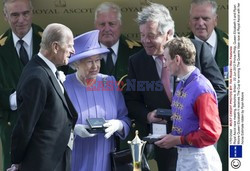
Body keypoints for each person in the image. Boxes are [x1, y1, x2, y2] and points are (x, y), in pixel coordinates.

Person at [125, 2, 226, 171]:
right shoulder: (137, 61)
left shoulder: (197, 49)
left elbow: (219, 89)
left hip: (196, 143)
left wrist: (193, 113)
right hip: (164, 143)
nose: (145, 41)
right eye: (142, 35)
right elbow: (131, 100)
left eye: (151, 35)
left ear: (169, 33)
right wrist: (148, 115)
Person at [8, 23, 78, 171]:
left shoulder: (45, 70)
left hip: (55, 161)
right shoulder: (37, 77)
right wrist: (16, 161)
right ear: (55, 47)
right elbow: (25, 125)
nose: (73, 51)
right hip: (42, 164)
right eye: (70, 45)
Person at [63, 30, 130, 171]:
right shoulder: (64, 85)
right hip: (74, 161)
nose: (95, 66)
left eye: (98, 60)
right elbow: (51, 124)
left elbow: (125, 119)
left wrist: (118, 125)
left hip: (106, 161)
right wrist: (73, 130)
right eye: (89, 62)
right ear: (76, 64)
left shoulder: (109, 82)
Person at [155, 36, 222, 171]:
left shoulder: (201, 88)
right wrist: (172, 138)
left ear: (177, 59)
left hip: (201, 160)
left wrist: (178, 140)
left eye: (167, 59)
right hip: (186, 157)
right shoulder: (183, 83)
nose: (165, 64)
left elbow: (211, 134)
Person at [0, 0, 43, 170]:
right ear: (5, 17)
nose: (21, 20)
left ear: (32, 12)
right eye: (15, 15)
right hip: (13, 127)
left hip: (45, 127)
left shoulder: (51, 40)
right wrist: (12, 99)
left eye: (26, 13)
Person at [187, 0, 228, 170]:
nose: (200, 23)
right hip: (192, 131)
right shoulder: (177, 49)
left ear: (216, 19)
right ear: (189, 21)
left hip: (229, 129)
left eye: (205, 18)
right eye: (196, 18)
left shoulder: (236, 46)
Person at [94, 2, 142, 88]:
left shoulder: (137, 51)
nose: (107, 29)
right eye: (102, 24)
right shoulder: (84, 54)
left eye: (111, 24)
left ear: (120, 25)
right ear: (96, 26)